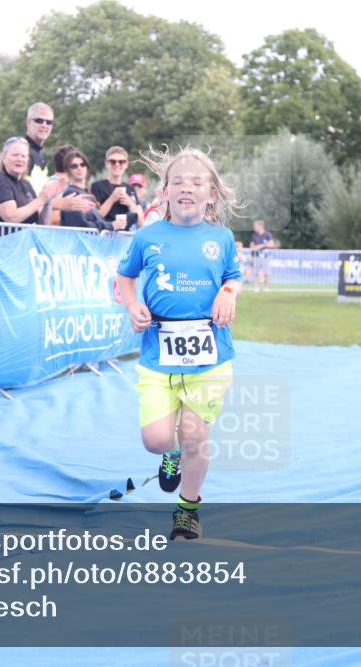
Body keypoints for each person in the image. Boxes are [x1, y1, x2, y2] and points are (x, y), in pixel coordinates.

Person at [115, 147, 242, 540]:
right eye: (179, 181)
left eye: (197, 182)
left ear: (211, 195)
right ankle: (170, 456)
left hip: (210, 357)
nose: (187, 187)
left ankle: (188, 509)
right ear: (165, 191)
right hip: (158, 356)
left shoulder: (221, 238)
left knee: (194, 434)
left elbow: (234, 277)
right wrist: (134, 307)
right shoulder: (147, 237)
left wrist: (228, 293)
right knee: (156, 440)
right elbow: (124, 279)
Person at [0, 136, 64, 225]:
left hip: (25, 238)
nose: (20, 159)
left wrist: (48, 200)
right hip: (2, 238)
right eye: (15, 155)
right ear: (4, 159)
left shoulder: (26, 184)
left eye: (23, 156)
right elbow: (11, 217)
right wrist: (41, 199)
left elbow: (42, 222)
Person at [92, 146, 142, 230]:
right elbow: (95, 217)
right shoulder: (97, 186)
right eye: (112, 161)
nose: (117, 164)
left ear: (126, 164)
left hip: (124, 238)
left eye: (121, 162)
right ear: (106, 163)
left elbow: (140, 223)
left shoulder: (130, 189)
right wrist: (112, 199)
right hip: (104, 235)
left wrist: (130, 203)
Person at [57, 148, 103, 229]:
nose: (79, 168)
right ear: (68, 170)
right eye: (74, 166)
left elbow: (98, 221)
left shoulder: (87, 193)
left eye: (82, 164)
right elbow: (80, 225)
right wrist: (112, 225)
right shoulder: (71, 193)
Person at [23, 102, 54, 194]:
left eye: (49, 122)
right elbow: (21, 193)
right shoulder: (21, 150)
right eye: (39, 121)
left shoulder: (41, 154)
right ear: (28, 122)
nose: (44, 125)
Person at [249, 219, 275, 292]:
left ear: (261, 226)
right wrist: (255, 248)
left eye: (255, 226)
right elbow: (251, 246)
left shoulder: (267, 235)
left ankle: (266, 288)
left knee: (267, 272)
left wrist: (262, 245)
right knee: (255, 273)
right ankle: (256, 287)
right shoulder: (254, 235)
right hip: (256, 256)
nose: (254, 227)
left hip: (265, 257)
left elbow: (272, 244)